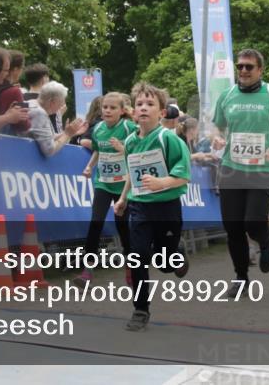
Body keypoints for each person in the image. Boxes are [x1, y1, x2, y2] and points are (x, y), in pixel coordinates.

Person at [211, 48, 269, 295]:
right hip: (231, 168)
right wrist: (216, 138)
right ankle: (241, 277)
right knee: (233, 226)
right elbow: (217, 126)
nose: (243, 71)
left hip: (262, 168)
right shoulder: (227, 96)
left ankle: (265, 241)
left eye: (249, 66)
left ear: (260, 70)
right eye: (240, 66)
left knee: (253, 221)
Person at [113, 82, 191, 331]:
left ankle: (176, 254)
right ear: (133, 111)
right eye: (139, 104)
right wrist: (124, 197)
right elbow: (131, 173)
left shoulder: (169, 139)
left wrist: (161, 182)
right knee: (137, 256)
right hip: (140, 207)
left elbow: (183, 175)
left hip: (167, 207)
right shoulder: (130, 142)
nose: (144, 108)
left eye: (150, 104)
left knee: (165, 263)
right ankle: (140, 309)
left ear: (161, 112)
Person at [77, 92, 136, 283]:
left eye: (112, 108)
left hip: (123, 186)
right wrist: (89, 166)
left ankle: (131, 265)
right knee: (96, 222)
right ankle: (87, 270)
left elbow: (141, 148)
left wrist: (123, 148)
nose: (108, 111)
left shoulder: (128, 127)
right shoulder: (98, 129)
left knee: (123, 226)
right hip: (103, 183)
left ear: (121, 111)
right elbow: (98, 150)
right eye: (105, 107)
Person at [27, 81, 87, 157]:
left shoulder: (32, 104)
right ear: (52, 102)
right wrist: (67, 134)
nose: (62, 105)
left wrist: (71, 132)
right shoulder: (39, 113)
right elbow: (49, 150)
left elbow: (50, 137)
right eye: (62, 102)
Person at [0, 50, 31, 135]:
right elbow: (23, 124)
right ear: (15, 69)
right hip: (6, 139)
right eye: (21, 68)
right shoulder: (14, 91)